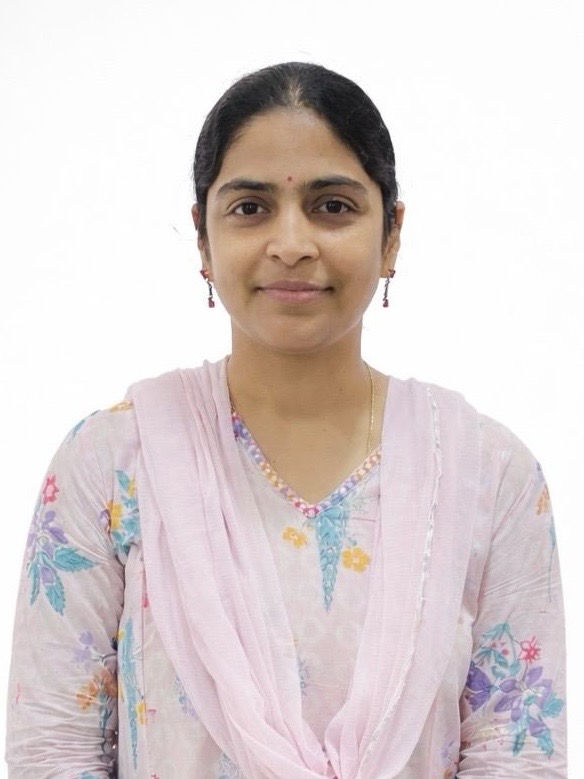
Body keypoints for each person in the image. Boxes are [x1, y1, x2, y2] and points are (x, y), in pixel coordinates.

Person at [5, 62, 567, 778]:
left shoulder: (488, 474)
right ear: (202, 240)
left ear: (391, 234)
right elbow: (53, 749)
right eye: (251, 207)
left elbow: (518, 756)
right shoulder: (113, 462)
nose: (292, 242)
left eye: (333, 206)